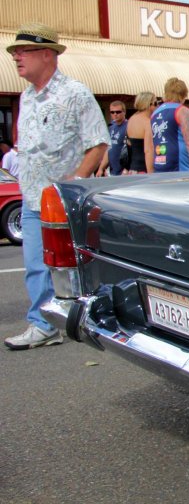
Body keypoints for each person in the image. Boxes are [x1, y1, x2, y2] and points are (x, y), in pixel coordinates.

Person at [4, 22, 108, 350]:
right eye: (15, 52)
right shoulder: (26, 97)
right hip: (33, 197)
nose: (16, 57)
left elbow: (98, 144)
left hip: (64, 202)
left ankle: (92, 319)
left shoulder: (74, 94)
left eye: (23, 51)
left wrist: (75, 182)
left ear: (46, 54)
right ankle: (43, 323)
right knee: (37, 266)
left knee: (82, 263)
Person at [151, 77, 189, 172]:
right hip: (178, 167)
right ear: (183, 95)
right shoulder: (183, 111)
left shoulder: (155, 113)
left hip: (159, 164)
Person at [125, 91, 157, 174]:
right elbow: (148, 150)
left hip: (133, 168)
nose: (158, 106)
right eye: (156, 103)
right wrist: (151, 173)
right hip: (144, 169)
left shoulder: (131, 119)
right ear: (149, 104)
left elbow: (129, 144)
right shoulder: (147, 122)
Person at [96, 100, 128, 176]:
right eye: (112, 112)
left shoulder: (128, 126)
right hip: (113, 171)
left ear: (124, 112)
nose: (115, 114)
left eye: (118, 112)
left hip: (124, 172)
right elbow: (109, 150)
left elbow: (132, 150)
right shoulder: (111, 128)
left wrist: (127, 168)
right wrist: (101, 168)